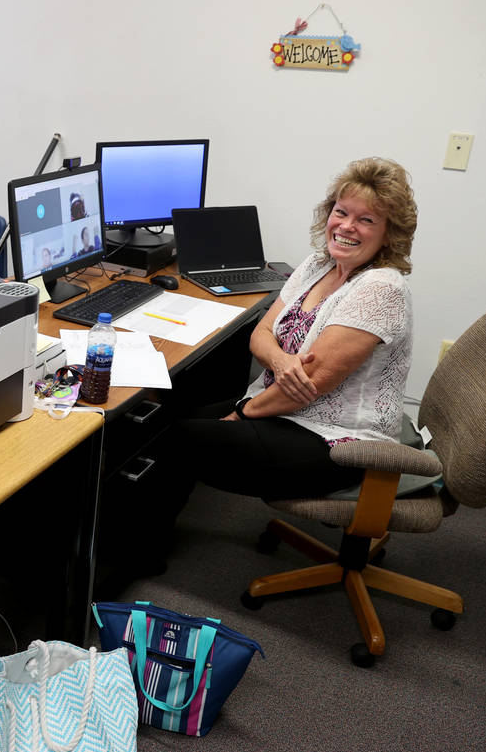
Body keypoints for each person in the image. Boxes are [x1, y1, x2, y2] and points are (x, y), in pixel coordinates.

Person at [163, 156, 418, 501]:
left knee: (178, 440)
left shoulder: (380, 288)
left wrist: (240, 413)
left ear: (389, 235)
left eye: (366, 220)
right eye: (341, 212)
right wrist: (283, 363)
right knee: (164, 421)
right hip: (283, 409)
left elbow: (310, 384)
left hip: (337, 440)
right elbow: (260, 335)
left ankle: (144, 549)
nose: (346, 226)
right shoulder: (318, 265)